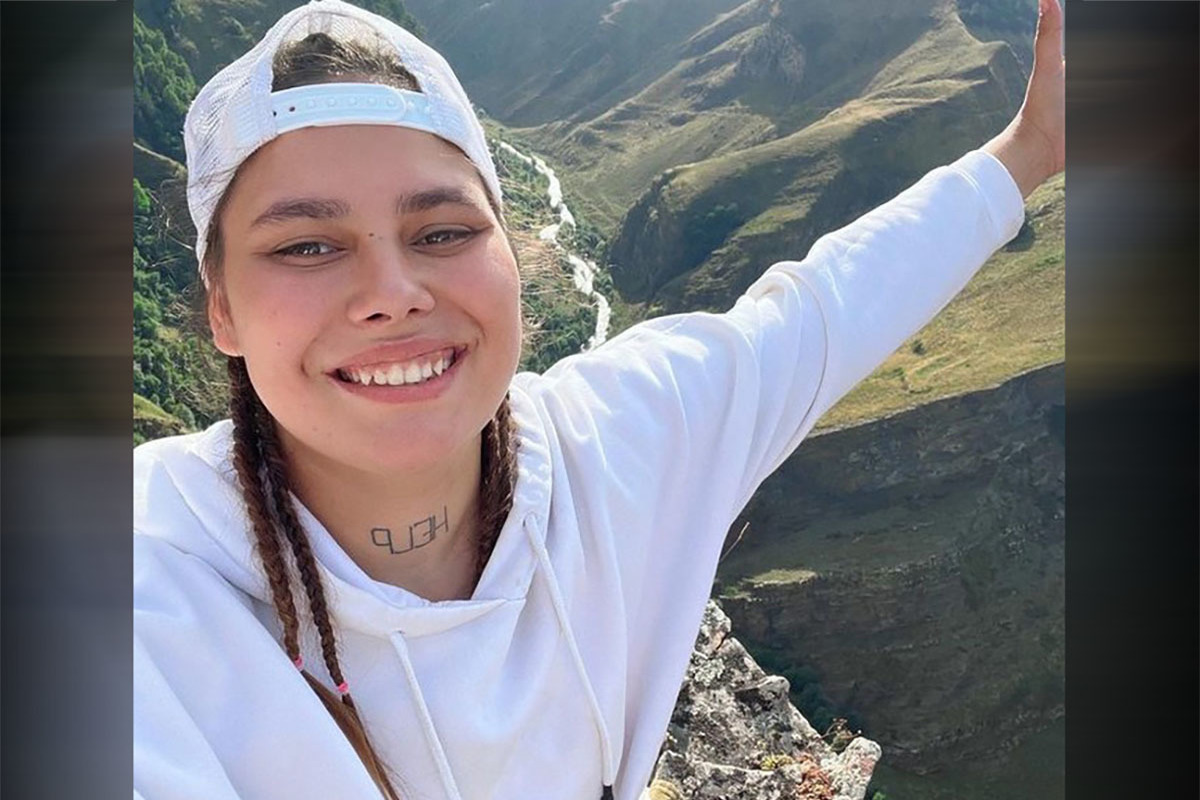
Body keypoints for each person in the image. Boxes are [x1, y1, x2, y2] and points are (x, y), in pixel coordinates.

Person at [133, 0, 1065, 798]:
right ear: (222, 308)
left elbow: (826, 310)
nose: (392, 292)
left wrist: (1030, 151)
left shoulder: (619, 437)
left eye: (443, 230)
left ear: (512, 251)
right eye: (306, 246)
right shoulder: (133, 590)